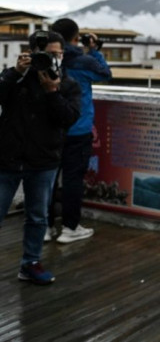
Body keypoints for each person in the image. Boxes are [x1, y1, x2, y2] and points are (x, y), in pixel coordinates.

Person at [0, 30, 80, 284]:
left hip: (44, 160)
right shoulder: (16, 78)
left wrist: (52, 92)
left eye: (58, 54)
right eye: (48, 54)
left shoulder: (67, 84)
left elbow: (68, 118)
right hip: (8, 157)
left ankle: (31, 263)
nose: (54, 59)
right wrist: (15, 73)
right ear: (32, 53)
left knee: (37, 216)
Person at [47, 18, 111, 243]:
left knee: (47, 177)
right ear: (76, 37)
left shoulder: (45, 59)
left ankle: (44, 227)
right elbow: (105, 74)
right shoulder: (83, 61)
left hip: (50, 127)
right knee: (73, 178)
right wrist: (94, 50)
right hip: (78, 128)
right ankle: (69, 227)